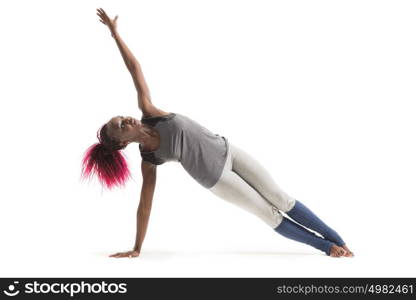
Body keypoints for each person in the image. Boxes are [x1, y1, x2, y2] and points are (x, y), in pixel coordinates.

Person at [81, 8, 354, 259]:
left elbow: (135, 69)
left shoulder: (149, 111)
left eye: (121, 117)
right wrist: (137, 248)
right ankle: (328, 248)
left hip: (228, 151)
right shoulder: (149, 159)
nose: (126, 119)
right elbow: (144, 205)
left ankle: (339, 240)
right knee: (270, 214)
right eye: (121, 125)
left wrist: (115, 34)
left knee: (281, 198)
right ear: (121, 143)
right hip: (217, 179)